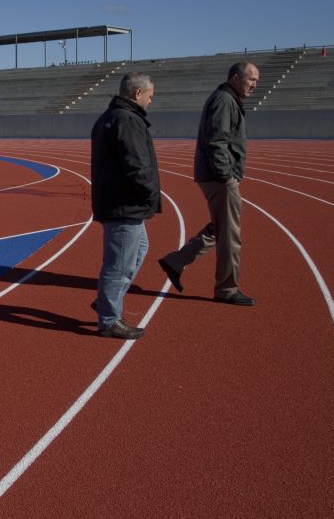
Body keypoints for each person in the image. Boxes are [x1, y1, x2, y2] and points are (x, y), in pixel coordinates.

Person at [158, 62, 260, 306]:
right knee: (230, 235)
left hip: (216, 175)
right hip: (218, 177)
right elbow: (216, 141)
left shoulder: (228, 99)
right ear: (235, 77)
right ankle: (227, 288)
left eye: (256, 81)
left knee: (220, 228)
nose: (254, 85)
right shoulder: (224, 100)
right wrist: (227, 176)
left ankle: (176, 261)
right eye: (251, 79)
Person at [90, 73, 161, 339]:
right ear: (137, 94)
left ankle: (107, 301)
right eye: (150, 96)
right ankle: (109, 319)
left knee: (139, 249)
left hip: (120, 201)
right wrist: (151, 194)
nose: (151, 102)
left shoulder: (111, 118)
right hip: (124, 203)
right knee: (118, 264)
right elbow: (137, 165)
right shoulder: (126, 120)